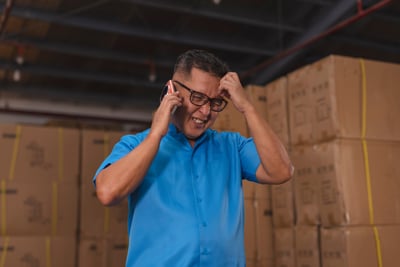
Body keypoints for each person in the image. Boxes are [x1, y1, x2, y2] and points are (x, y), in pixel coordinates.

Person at [93, 49, 293, 266]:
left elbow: (281, 171)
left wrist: (247, 107)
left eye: (215, 102)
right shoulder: (136, 145)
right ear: (172, 91)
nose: (205, 111)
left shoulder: (232, 146)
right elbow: (107, 192)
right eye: (198, 97)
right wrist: (155, 135)